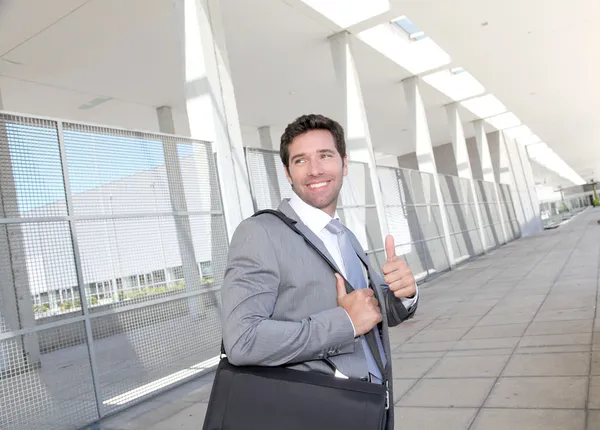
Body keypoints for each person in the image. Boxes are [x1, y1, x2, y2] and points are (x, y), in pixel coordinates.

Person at [221, 114, 419, 429]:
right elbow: (242, 340)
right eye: (301, 160)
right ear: (288, 172)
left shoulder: (345, 235)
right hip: (317, 411)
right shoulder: (260, 233)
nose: (315, 170)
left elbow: (375, 314)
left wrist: (404, 293)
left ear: (344, 162)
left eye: (325, 156)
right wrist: (345, 323)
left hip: (371, 404)